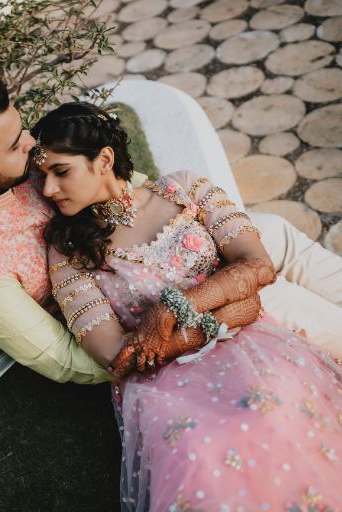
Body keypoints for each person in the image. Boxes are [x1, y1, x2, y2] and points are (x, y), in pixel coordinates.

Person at [0, 72, 342, 390]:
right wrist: (190, 331)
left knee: (272, 237)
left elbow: (125, 188)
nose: (32, 144)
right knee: (272, 298)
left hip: (156, 252)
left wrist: (190, 228)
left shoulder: (14, 164)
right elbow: (68, 360)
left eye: (24, 131)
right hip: (121, 302)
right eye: (17, 145)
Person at [34, 101, 342, 509]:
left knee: (278, 407)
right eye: (42, 177)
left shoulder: (184, 188)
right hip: (165, 381)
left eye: (61, 172)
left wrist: (168, 310)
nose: (49, 190)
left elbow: (257, 265)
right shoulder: (67, 248)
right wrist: (232, 310)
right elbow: (117, 354)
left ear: (104, 159)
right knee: (201, 448)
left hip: (251, 344)